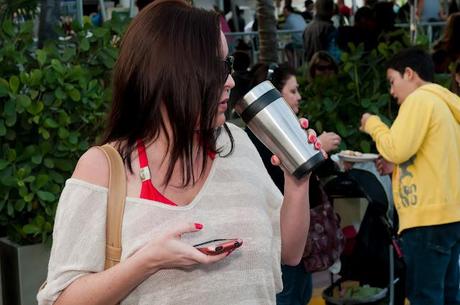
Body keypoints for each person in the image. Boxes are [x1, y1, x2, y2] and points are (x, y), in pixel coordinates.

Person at [37, 1, 323, 305]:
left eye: (229, 66)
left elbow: (290, 252)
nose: (230, 81)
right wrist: (148, 261)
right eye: (217, 67)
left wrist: (297, 180)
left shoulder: (235, 144)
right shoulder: (104, 168)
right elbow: (62, 300)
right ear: (171, 73)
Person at [359, 47, 460, 305]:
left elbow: (395, 148)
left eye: (393, 82)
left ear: (409, 73)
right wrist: (397, 169)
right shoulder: (445, 104)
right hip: (449, 217)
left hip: (427, 220)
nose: (392, 92)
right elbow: (436, 159)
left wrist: (373, 123)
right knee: (449, 294)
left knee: (424, 297)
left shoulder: (420, 100)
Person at [246, 63, 341, 305]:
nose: (299, 97)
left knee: (301, 293)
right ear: (274, 96)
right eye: (293, 91)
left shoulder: (292, 128)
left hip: (299, 238)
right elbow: (274, 182)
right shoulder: (255, 139)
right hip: (280, 237)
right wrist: (310, 148)